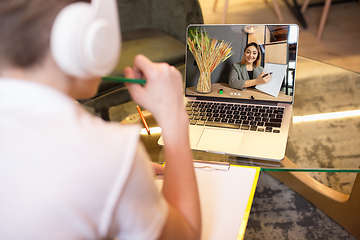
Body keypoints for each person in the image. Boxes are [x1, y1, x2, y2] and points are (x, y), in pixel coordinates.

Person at [0, 0, 201, 239]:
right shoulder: (110, 154)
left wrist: (121, 180)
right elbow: (185, 234)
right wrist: (174, 116)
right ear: (86, 36)